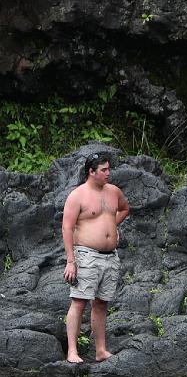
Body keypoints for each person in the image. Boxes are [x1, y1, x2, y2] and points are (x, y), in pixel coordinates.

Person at [62, 152, 129, 363]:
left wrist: (111, 227)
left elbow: (125, 209)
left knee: (101, 304)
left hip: (110, 257)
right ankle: (72, 351)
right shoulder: (77, 195)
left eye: (109, 169)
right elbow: (67, 227)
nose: (109, 173)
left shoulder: (114, 192)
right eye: (104, 170)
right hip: (86, 255)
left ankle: (100, 350)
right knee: (79, 301)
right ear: (92, 172)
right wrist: (71, 261)